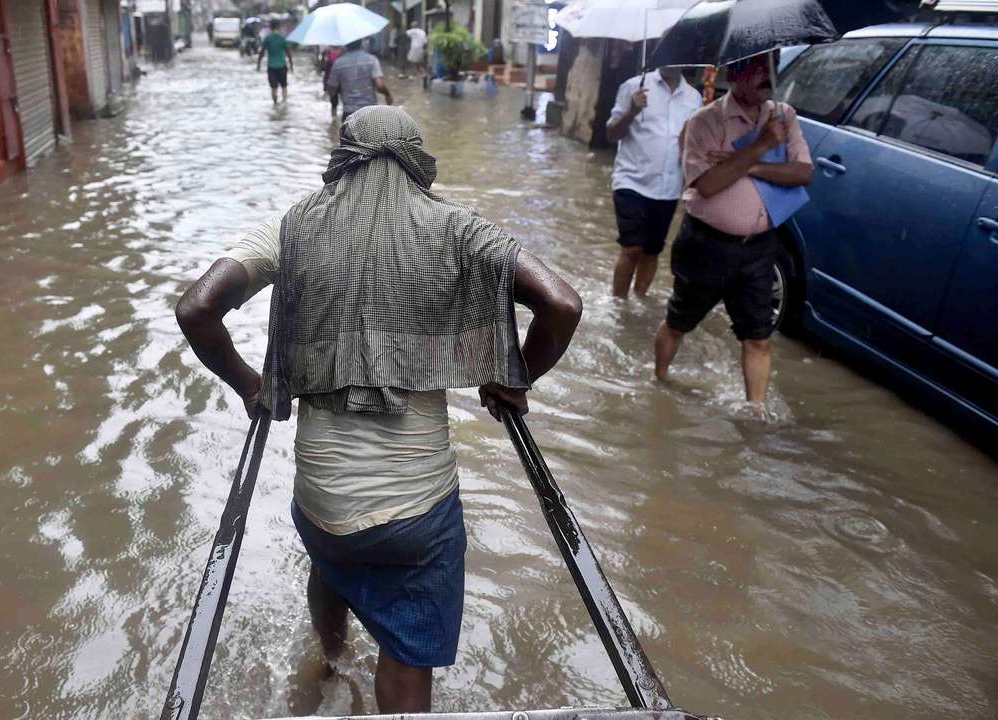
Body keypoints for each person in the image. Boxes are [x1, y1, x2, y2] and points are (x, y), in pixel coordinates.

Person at [175, 107, 582, 712]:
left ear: (341, 161)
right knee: (409, 654)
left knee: (333, 559)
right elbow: (563, 305)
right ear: (417, 160)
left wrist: (250, 384)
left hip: (321, 500)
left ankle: (329, 658)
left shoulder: (290, 229)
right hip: (416, 513)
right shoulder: (463, 230)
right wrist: (516, 378)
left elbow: (197, 307)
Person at [653, 53, 813, 414]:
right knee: (679, 322)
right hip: (707, 244)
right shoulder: (705, 122)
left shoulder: (784, 117)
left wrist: (747, 164)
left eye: (770, 64)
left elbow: (803, 174)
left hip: (760, 248)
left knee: (758, 337)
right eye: (755, 66)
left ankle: (755, 413)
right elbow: (708, 185)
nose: (764, 74)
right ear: (735, 73)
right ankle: (659, 380)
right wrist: (760, 147)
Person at [604, 66, 701, 298]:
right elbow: (611, 134)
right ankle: (618, 305)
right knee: (632, 248)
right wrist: (632, 111)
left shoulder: (694, 98)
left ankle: (638, 302)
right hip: (631, 181)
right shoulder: (633, 86)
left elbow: (692, 142)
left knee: (652, 251)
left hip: (668, 188)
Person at [327, 39, 393, 121]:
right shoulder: (372, 60)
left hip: (349, 114)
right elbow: (379, 86)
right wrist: (387, 95)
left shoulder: (338, 64)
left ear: (345, 44)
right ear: (361, 43)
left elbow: (331, 90)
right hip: (370, 112)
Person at [257, 19, 293, 105]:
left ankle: (275, 104)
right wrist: (291, 65)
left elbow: (262, 52)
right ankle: (284, 102)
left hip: (271, 67)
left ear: (270, 27)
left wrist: (258, 65)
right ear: (279, 27)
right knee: (284, 86)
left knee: (274, 88)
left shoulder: (268, 39)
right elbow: (288, 53)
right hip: (282, 66)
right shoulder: (282, 38)